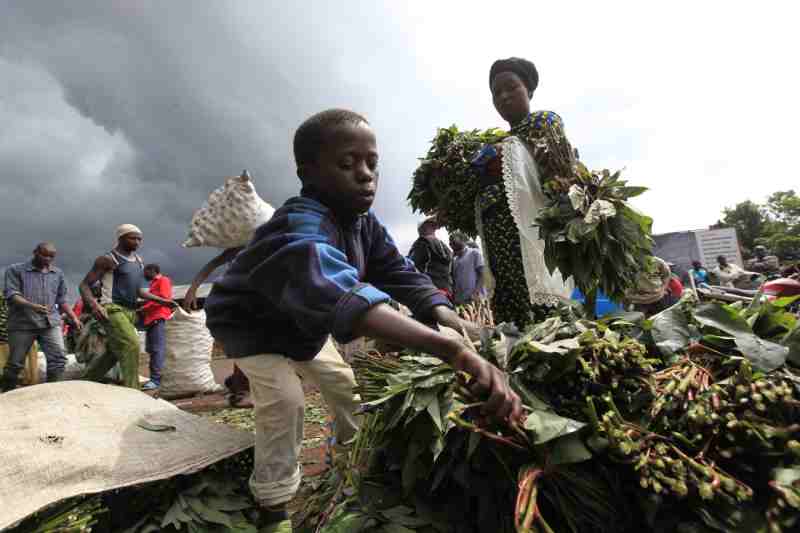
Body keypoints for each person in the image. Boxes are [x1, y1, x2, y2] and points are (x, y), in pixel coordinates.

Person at [204, 109, 522, 532]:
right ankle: (274, 506)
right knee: (285, 401)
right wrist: (449, 349)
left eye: (372, 162)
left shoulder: (363, 224)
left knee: (347, 391)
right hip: (253, 326)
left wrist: (449, 318)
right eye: (347, 163)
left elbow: (397, 272)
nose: (365, 174)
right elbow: (337, 288)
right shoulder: (300, 227)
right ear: (308, 172)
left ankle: (352, 466)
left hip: (302, 328)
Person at [469, 57, 574, 329]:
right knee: (511, 321)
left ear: (528, 89)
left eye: (511, 87)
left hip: (528, 238)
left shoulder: (544, 122)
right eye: (496, 93)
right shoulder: (495, 143)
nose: (503, 96)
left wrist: (506, 156)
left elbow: (557, 177)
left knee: (542, 320)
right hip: (499, 245)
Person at [78, 225, 177, 389]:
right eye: (133, 238)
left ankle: (84, 382)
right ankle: (133, 389)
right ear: (121, 238)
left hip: (130, 312)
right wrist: (95, 306)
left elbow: (138, 291)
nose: (137, 242)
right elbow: (84, 285)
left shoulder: (138, 261)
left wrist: (163, 301)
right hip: (111, 309)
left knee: (113, 352)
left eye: (140, 239)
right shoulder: (108, 259)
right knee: (131, 344)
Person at [1, 242, 82, 391]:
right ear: (35, 252)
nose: (47, 259)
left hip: (49, 323)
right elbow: (12, 295)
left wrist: (74, 317)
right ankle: (6, 394)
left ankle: (51, 393)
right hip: (22, 324)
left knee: (58, 358)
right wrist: (32, 306)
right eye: (44, 255)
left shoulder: (57, 274)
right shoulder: (15, 270)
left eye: (51, 256)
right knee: (15, 363)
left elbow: (62, 299)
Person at [182, 247, 253, 407]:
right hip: (238, 300)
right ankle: (241, 389)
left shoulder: (267, 241)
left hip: (257, 299)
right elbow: (211, 265)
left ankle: (237, 382)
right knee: (244, 345)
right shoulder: (237, 248)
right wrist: (192, 289)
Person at [139, 264, 173, 390]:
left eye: (146, 272)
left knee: (157, 349)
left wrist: (144, 308)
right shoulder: (153, 284)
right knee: (152, 350)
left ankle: (156, 380)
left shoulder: (163, 280)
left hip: (159, 318)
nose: (144, 275)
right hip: (151, 320)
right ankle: (156, 378)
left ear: (153, 271)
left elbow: (164, 299)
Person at [408, 218, 454, 299]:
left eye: (433, 225)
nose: (433, 227)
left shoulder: (422, 242)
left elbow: (411, 265)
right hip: (446, 290)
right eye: (431, 225)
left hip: (429, 290)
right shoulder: (444, 246)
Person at [450, 231, 485, 305]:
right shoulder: (454, 260)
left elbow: (482, 275)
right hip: (461, 301)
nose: (451, 243)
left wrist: (476, 292)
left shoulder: (474, 253)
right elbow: (454, 280)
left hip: (476, 299)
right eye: (450, 242)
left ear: (463, 240)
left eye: (454, 240)